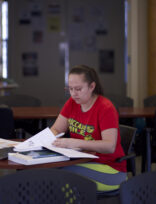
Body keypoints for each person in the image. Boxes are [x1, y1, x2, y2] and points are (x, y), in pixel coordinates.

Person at [51, 64, 127, 192]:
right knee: (49, 174)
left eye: (78, 89)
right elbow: (56, 129)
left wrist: (74, 142)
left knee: (61, 178)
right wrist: (45, 140)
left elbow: (110, 146)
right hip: (83, 162)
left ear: (92, 86)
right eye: (70, 89)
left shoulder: (105, 108)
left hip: (111, 170)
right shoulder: (72, 103)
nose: (73, 94)